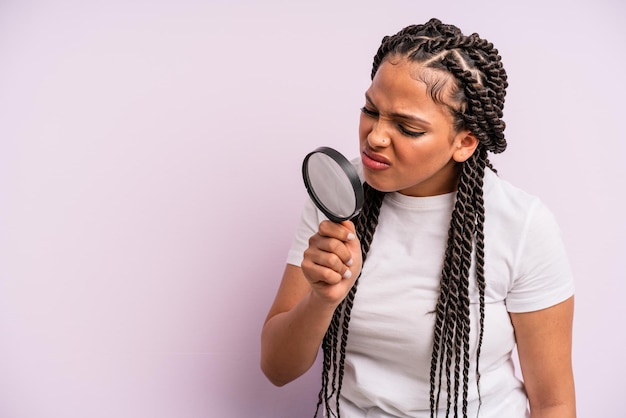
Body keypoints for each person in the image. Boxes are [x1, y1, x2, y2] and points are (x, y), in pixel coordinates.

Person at [260, 18, 575, 418]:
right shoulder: (337, 198)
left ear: (464, 142)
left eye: (407, 127)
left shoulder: (523, 226)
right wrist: (322, 300)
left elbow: (554, 403)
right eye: (371, 110)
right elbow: (277, 369)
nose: (375, 136)